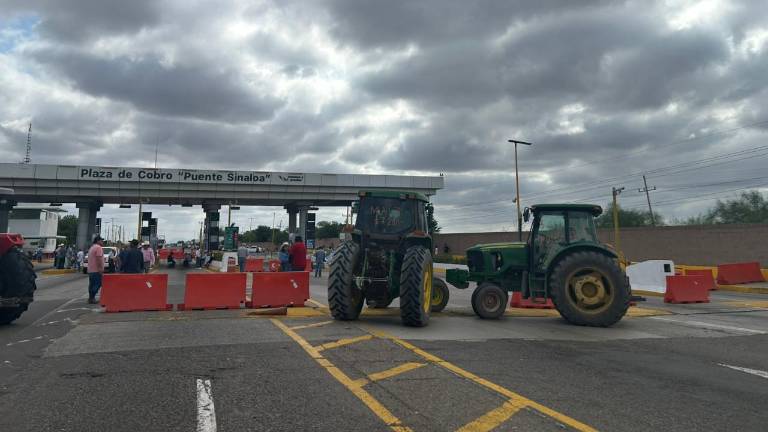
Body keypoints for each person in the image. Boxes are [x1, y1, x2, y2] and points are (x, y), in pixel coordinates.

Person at [86, 236, 105, 304]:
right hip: (96, 270)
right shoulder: (98, 248)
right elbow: (98, 258)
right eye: (101, 240)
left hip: (91, 270)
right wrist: (100, 268)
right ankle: (92, 297)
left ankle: (91, 298)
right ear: (98, 241)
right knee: (98, 284)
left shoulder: (92, 247)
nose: (102, 242)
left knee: (92, 284)